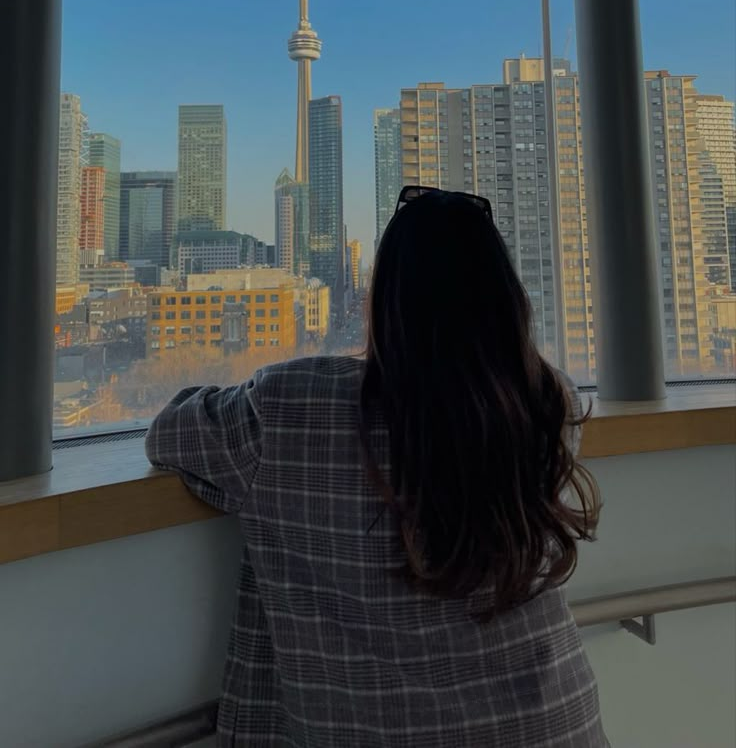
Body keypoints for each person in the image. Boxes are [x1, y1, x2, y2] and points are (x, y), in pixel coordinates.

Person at [146, 185, 606, 747]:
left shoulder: (290, 408)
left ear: (383, 299)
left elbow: (169, 432)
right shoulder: (546, 404)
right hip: (555, 724)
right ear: (505, 300)